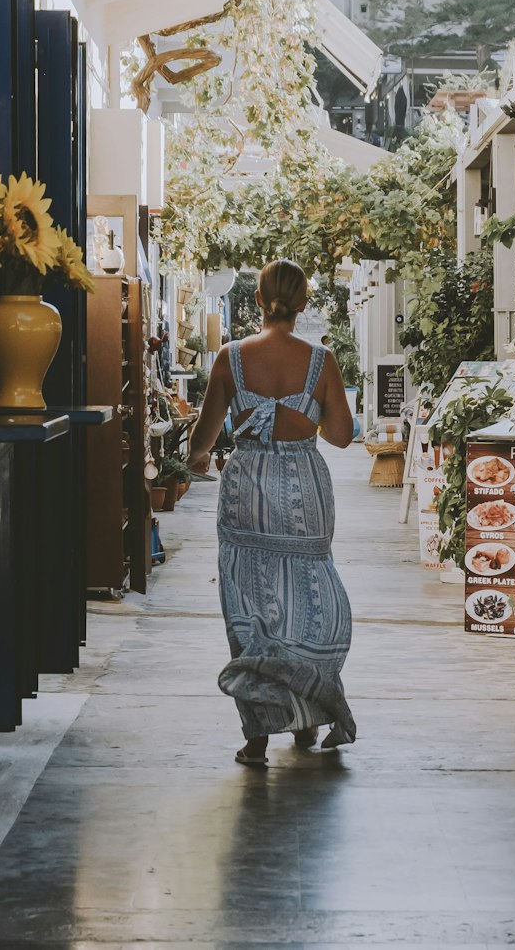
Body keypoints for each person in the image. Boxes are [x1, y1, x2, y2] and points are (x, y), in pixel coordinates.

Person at [188, 259, 357, 766]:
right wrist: (303, 420)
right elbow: (344, 436)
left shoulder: (230, 358)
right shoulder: (320, 360)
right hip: (305, 490)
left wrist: (203, 456)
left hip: (247, 491)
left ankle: (258, 735)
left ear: (257, 300)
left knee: (249, 607)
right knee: (310, 600)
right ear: (303, 303)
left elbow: (201, 442)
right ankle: (309, 711)